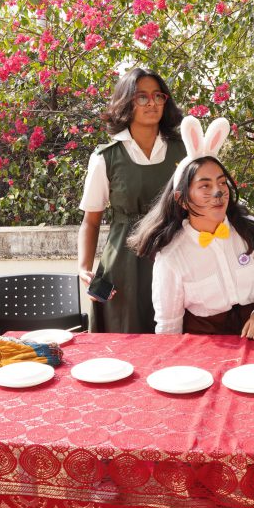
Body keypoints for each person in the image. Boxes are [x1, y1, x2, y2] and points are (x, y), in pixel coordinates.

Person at [129, 116, 254, 339]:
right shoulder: (171, 256)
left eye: (222, 182)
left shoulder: (251, 231)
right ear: (182, 200)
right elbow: (168, 325)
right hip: (205, 346)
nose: (218, 192)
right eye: (205, 185)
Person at [77, 69, 187, 333]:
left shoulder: (184, 150)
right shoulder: (105, 158)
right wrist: (84, 268)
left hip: (176, 252)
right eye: (142, 97)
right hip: (124, 264)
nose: (152, 103)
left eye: (158, 96)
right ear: (126, 102)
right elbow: (91, 221)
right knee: (125, 339)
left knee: (178, 339)